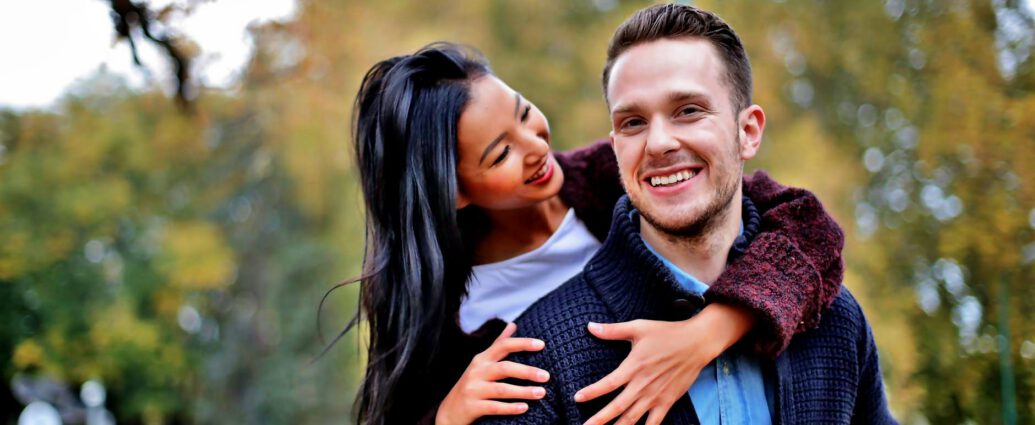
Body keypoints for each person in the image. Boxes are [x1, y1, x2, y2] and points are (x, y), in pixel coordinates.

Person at [343, 39, 844, 424]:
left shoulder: (615, 177)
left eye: (524, 113)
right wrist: (445, 418)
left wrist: (707, 333)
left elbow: (809, 227)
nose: (535, 147)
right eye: (502, 154)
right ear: (455, 192)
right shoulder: (450, 313)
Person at [478, 4, 897, 424]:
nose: (659, 142)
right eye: (633, 122)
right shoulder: (537, 362)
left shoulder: (835, 320)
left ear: (748, 132)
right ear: (615, 146)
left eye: (689, 110)